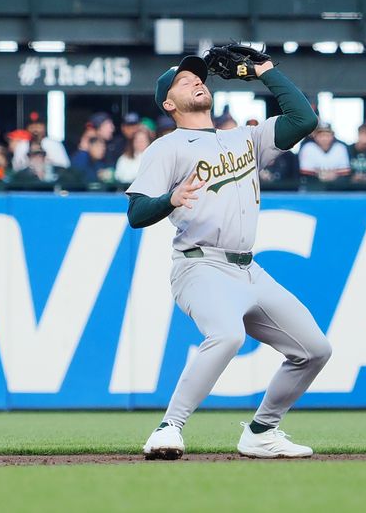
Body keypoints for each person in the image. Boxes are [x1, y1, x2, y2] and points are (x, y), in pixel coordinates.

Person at [127, 54, 329, 460]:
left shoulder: (244, 138)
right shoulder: (167, 147)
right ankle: (168, 428)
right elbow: (136, 213)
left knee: (314, 349)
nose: (196, 83)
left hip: (248, 269)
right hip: (200, 265)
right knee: (228, 335)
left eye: (198, 79)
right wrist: (170, 198)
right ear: (169, 104)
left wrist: (266, 71)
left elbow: (304, 120)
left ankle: (261, 432)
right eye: (184, 81)